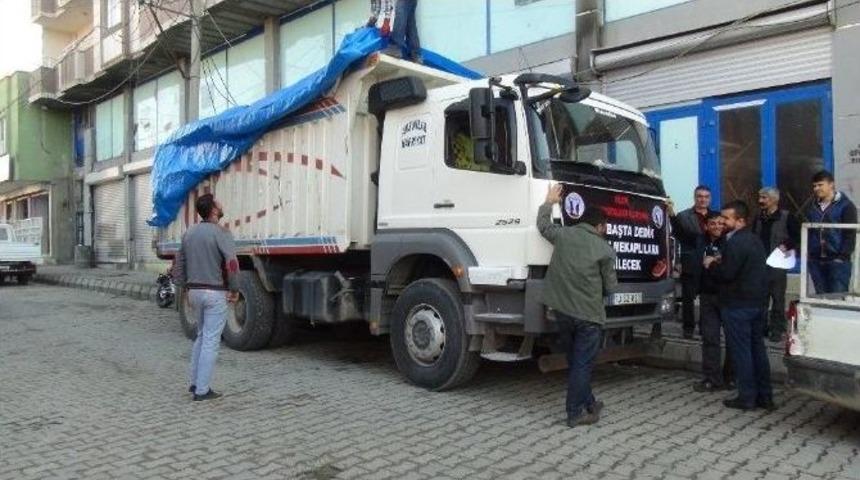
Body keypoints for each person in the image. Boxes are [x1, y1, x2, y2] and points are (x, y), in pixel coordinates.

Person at [538, 184, 617, 428]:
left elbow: (543, 226)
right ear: (601, 226)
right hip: (589, 317)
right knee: (582, 364)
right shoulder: (604, 249)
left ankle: (590, 402)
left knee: (576, 361)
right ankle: (575, 413)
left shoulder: (564, 235)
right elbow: (611, 288)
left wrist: (548, 202)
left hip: (563, 313)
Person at [704, 201, 774, 411]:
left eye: (726, 218)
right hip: (757, 304)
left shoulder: (735, 242)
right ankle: (765, 396)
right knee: (758, 351)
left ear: (740, 221)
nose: (722, 222)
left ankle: (747, 397)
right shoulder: (755, 240)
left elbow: (727, 274)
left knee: (742, 352)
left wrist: (712, 264)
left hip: (738, 305)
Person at [173, 194, 240, 402]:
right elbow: (232, 263)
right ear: (213, 210)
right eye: (218, 203)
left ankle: (194, 383)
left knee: (201, 337)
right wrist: (235, 288)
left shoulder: (189, 233)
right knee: (211, 340)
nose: (221, 205)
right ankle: (202, 390)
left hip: (194, 292)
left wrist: (183, 288)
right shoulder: (221, 233)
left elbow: (179, 263)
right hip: (214, 292)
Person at [668, 186, 718, 338]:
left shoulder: (716, 216)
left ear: (710, 198)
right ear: (694, 197)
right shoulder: (683, 216)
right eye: (699, 196)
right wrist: (676, 262)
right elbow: (676, 238)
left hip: (711, 263)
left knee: (707, 298)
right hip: (690, 261)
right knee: (688, 298)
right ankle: (688, 328)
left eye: (706, 196)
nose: (703, 199)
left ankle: (705, 327)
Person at [752, 187, 800, 342]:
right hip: (760, 265)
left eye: (764, 198)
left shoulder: (787, 217)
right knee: (760, 299)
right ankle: (761, 328)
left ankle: (776, 330)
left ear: (774, 200)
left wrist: (786, 245)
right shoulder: (758, 218)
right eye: (760, 197)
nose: (760, 201)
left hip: (778, 265)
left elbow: (797, 237)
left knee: (778, 299)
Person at [693, 213, 734, 392]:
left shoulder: (730, 242)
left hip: (727, 296)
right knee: (710, 338)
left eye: (720, 223)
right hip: (707, 296)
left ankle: (730, 377)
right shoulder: (700, 241)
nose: (717, 226)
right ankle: (712, 378)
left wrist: (717, 259)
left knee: (732, 339)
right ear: (706, 226)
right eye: (713, 223)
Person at [806, 170, 858, 294]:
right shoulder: (812, 207)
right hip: (816, 260)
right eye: (814, 186)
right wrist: (809, 254)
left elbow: (850, 234)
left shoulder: (846, 206)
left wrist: (842, 256)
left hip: (837, 261)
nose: (816, 188)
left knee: (837, 298)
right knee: (821, 297)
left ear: (831, 184)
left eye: (820, 185)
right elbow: (809, 232)